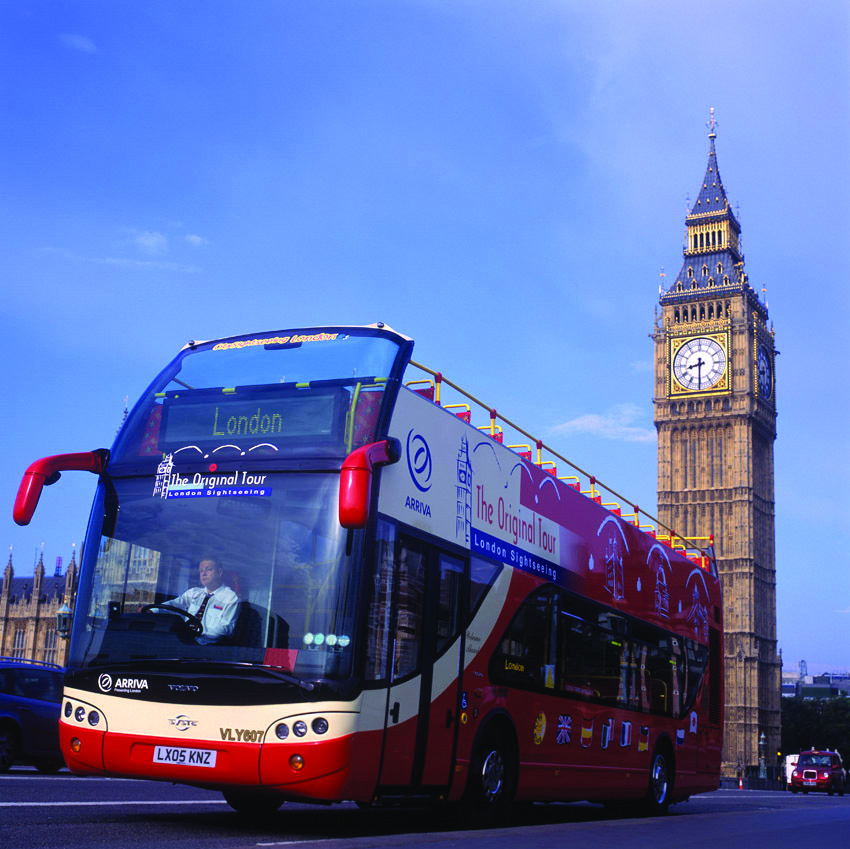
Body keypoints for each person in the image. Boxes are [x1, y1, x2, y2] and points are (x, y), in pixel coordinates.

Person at [167, 558, 239, 645]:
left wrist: (198, 638)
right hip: (184, 642)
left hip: (209, 647)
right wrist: (153, 610)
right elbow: (174, 604)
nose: (203, 574)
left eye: (208, 570)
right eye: (201, 571)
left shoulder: (230, 597)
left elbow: (226, 627)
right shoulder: (193, 593)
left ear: (219, 572)